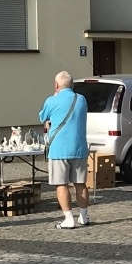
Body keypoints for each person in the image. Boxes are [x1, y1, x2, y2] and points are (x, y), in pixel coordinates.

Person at [39, 71, 91, 228]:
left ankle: (69, 219)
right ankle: (84, 216)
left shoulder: (51, 100)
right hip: (79, 148)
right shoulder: (81, 99)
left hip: (59, 149)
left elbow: (43, 117)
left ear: (56, 85)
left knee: (61, 184)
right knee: (80, 183)